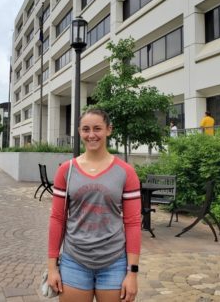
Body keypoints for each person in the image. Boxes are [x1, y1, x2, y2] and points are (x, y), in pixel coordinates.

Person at [47, 108, 141, 302]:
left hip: (114, 263)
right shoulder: (66, 170)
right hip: (74, 261)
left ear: (108, 130)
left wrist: (132, 273)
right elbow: (58, 219)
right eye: (86, 129)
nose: (91, 135)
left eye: (97, 128)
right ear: (80, 132)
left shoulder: (126, 172)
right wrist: (52, 267)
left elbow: (132, 223)